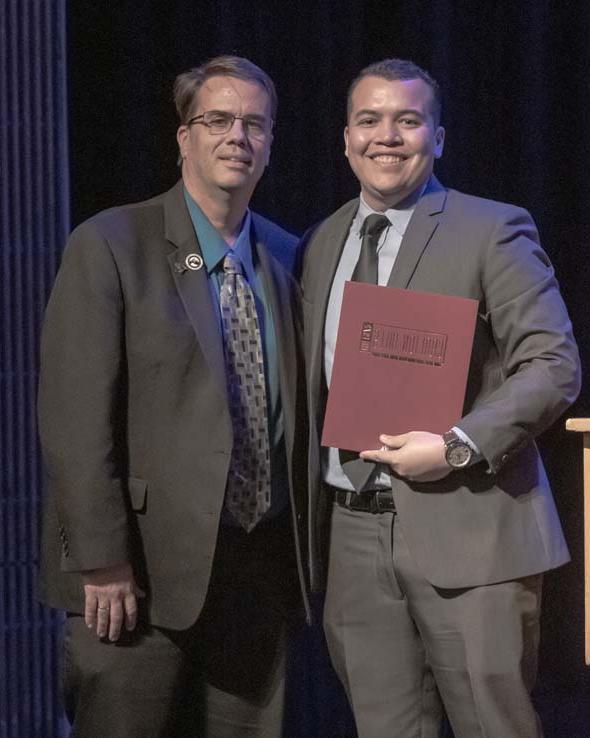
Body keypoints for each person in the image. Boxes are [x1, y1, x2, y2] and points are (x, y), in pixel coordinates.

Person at [300, 58, 580, 738]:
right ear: (345, 139)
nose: (387, 136)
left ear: (440, 138)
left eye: (408, 120)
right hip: (354, 540)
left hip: (473, 531)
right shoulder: (318, 243)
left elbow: (553, 364)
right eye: (369, 120)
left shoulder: (493, 229)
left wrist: (456, 445)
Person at [38, 55, 309, 738]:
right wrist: (102, 560)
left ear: (272, 143)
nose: (237, 136)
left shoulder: (286, 255)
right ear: (183, 137)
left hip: (257, 574)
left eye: (255, 123)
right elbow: (75, 421)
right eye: (217, 119)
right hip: (138, 580)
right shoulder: (111, 242)